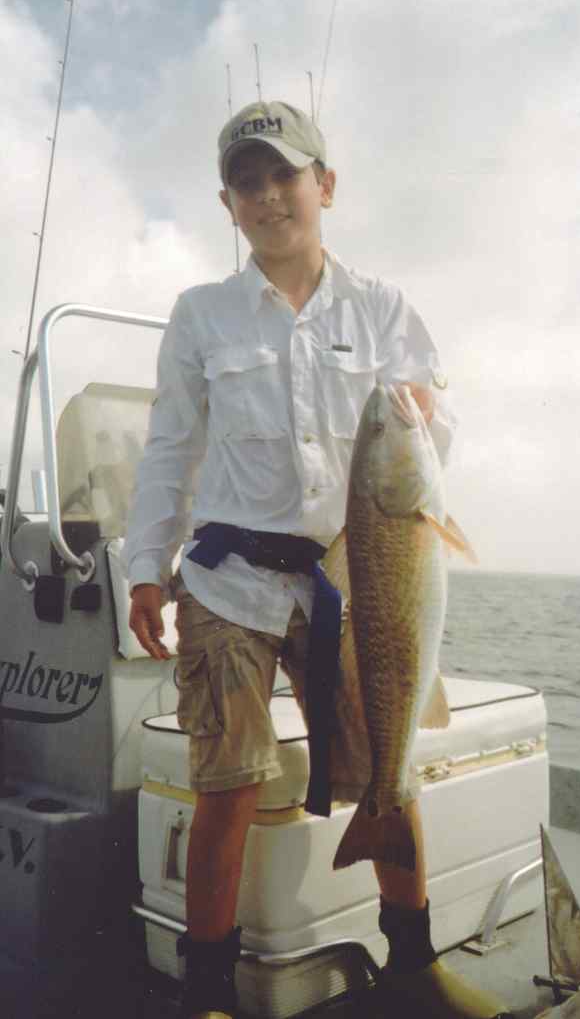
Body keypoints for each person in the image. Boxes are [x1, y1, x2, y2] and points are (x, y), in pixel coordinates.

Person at [123, 100, 513, 1019]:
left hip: (361, 572)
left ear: (325, 186)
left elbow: (434, 433)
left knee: (393, 756)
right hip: (228, 581)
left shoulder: (382, 307)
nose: (269, 197)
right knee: (227, 783)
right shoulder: (202, 315)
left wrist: (425, 409)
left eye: (285, 176)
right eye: (247, 183)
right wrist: (147, 566)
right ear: (228, 205)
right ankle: (210, 996)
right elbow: (170, 450)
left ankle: (413, 963)